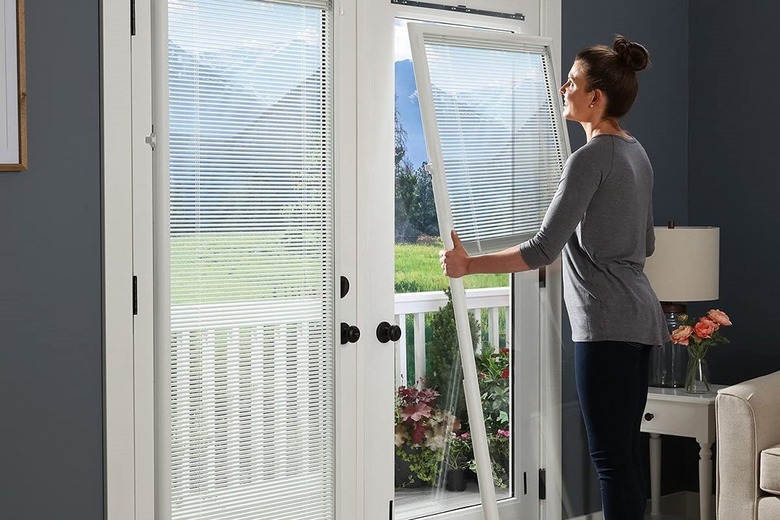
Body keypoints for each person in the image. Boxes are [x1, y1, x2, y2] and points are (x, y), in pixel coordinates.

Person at [439, 35, 667, 520]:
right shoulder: (637, 153)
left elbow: (543, 248)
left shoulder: (590, 158)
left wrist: (468, 264)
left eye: (573, 80)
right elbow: (645, 244)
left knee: (609, 461)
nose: (564, 87)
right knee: (626, 457)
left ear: (595, 98)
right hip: (641, 319)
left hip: (606, 327)